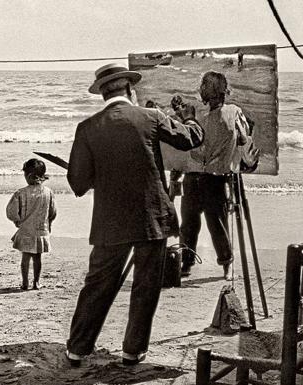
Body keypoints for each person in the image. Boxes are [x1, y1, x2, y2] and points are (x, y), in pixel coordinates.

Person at [65, 63, 204, 367]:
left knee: (98, 285)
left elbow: (77, 183)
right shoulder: (152, 117)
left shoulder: (87, 128)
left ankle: (77, 348)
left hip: (109, 222)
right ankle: (132, 351)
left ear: (103, 94)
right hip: (151, 218)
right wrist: (190, 118)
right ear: (130, 88)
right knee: (145, 286)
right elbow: (191, 139)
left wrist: (98, 171)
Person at [174, 70, 259, 280]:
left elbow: (243, 139)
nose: (205, 92)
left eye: (208, 88)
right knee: (191, 224)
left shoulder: (227, 112)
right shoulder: (200, 116)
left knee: (215, 224)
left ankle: (223, 263)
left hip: (214, 177)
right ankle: (188, 262)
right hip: (196, 176)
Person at [6, 158, 57, 290]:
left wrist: (17, 220)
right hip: (41, 229)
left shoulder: (21, 193)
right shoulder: (48, 192)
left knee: (25, 259)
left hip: (26, 231)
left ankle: (25, 283)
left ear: (28, 176)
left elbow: (11, 211)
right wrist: (49, 222)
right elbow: (53, 211)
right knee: (37, 258)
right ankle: (36, 282)